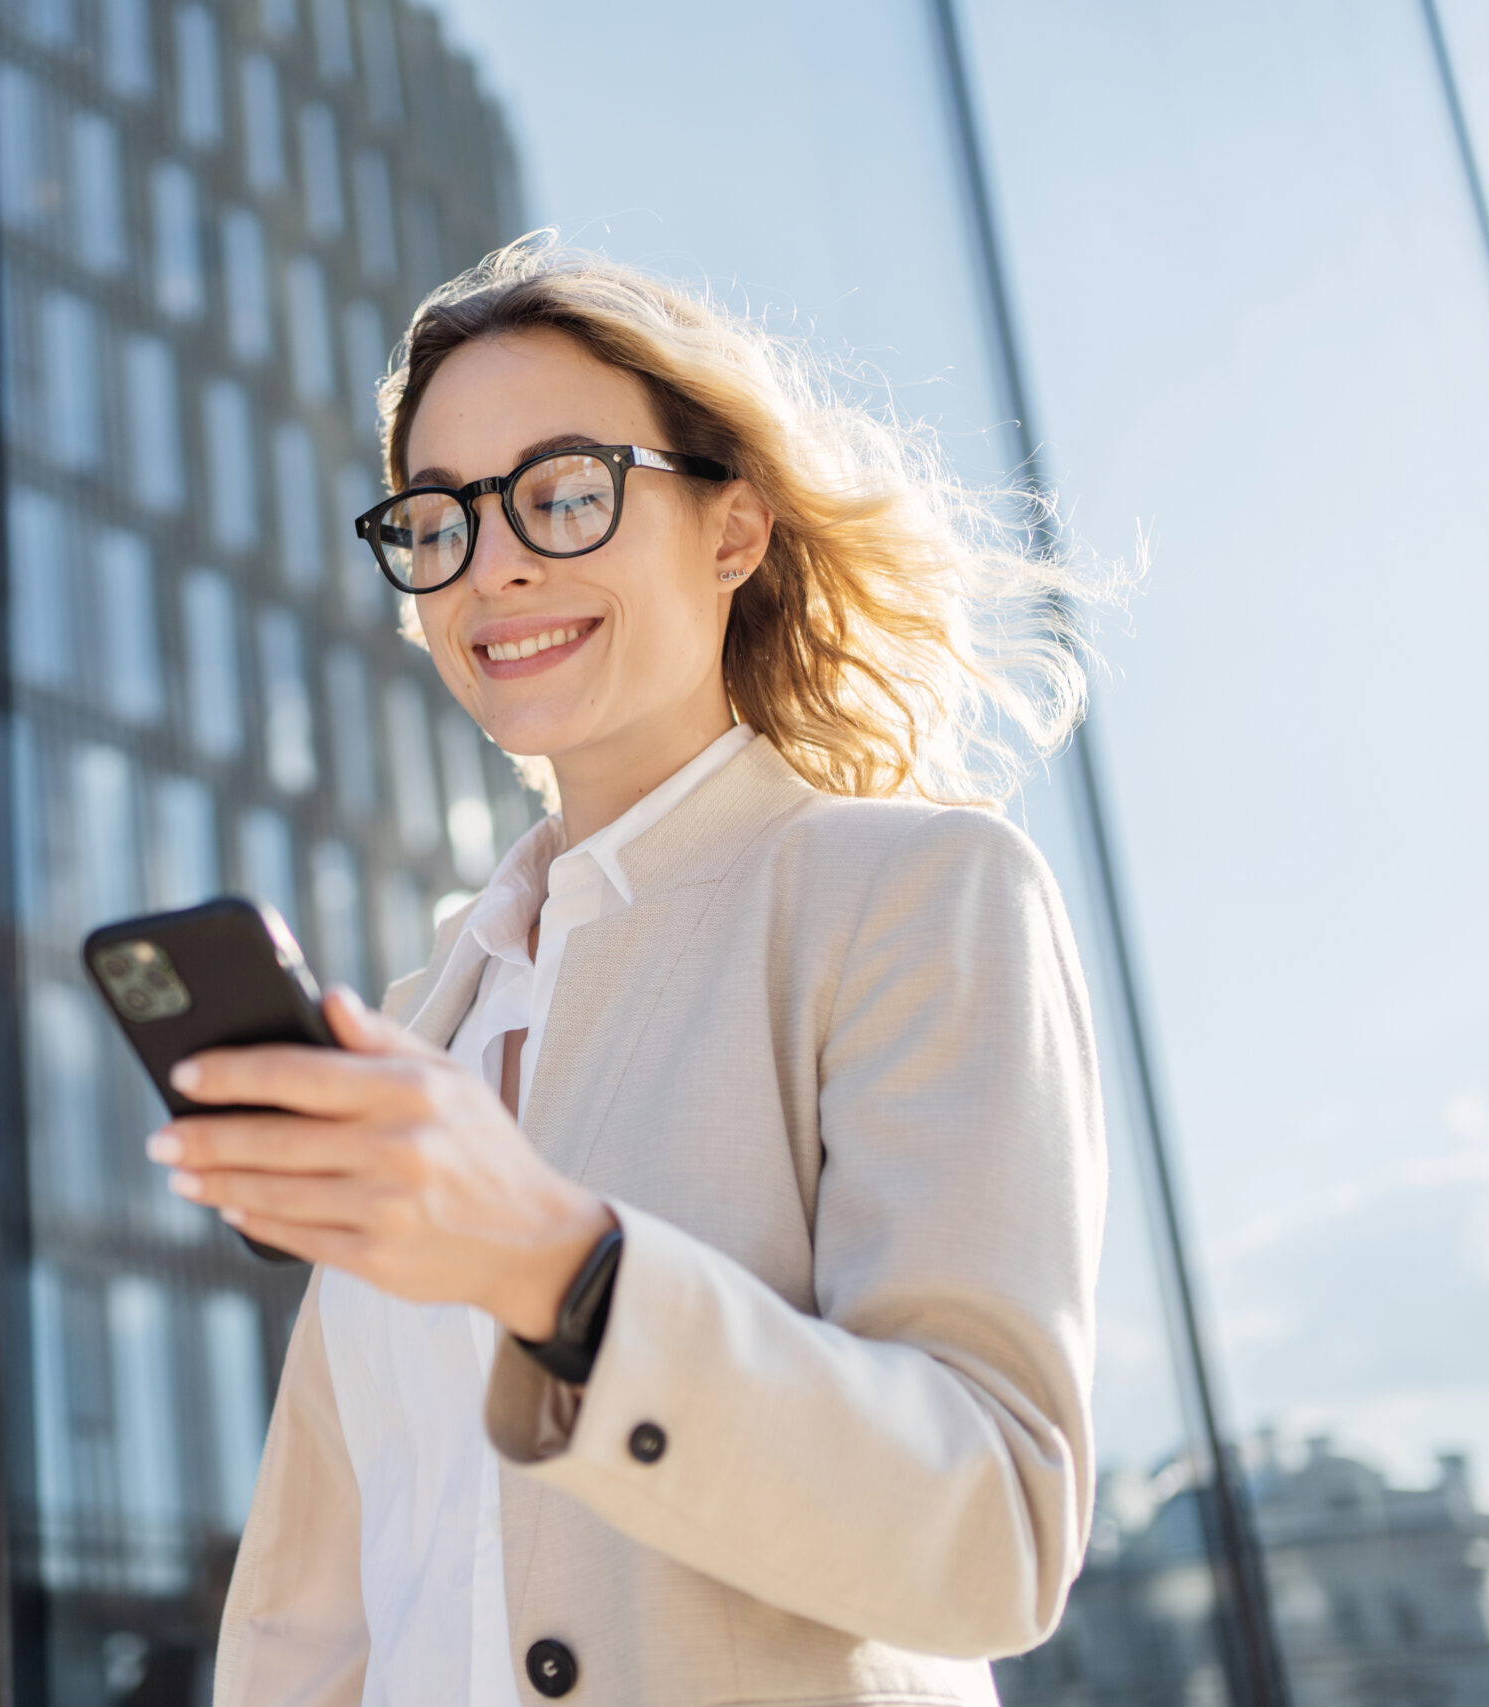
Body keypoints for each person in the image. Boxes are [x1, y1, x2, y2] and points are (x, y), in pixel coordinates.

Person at [151, 238, 1112, 1707]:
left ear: (734, 529)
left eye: (565, 490)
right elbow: (340, 1593)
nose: (497, 561)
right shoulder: (429, 1018)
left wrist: (564, 1269)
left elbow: (994, 1529)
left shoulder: (916, 897)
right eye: (437, 518)